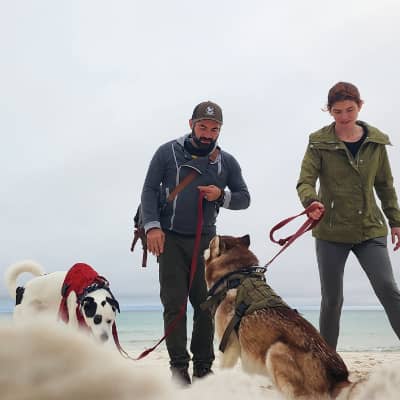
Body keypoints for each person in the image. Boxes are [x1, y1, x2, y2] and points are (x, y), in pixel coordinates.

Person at [140, 101, 250, 384]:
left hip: (207, 244)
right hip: (170, 239)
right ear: (191, 124)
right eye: (203, 127)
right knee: (174, 305)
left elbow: (244, 198)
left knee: (206, 306)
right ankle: (178, 369)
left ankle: (203, 368)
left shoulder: (226, 162)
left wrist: (221, 196)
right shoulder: (167, 152)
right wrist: (152, 228)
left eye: (214, 129)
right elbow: (149, 190)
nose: (208, 134)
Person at [296, 82, 400, 350]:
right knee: (332, 299)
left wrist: (395, 221)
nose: (344, 117)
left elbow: (385, 186)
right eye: (337, 111)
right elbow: (305, 181)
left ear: (360, 106)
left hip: (370, 229)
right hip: (330, 232)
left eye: (350, 110)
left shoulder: (375, 142)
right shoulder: (318, 142)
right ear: (329, 110)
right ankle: (327, 362)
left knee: (388, 288)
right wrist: (311, 201)